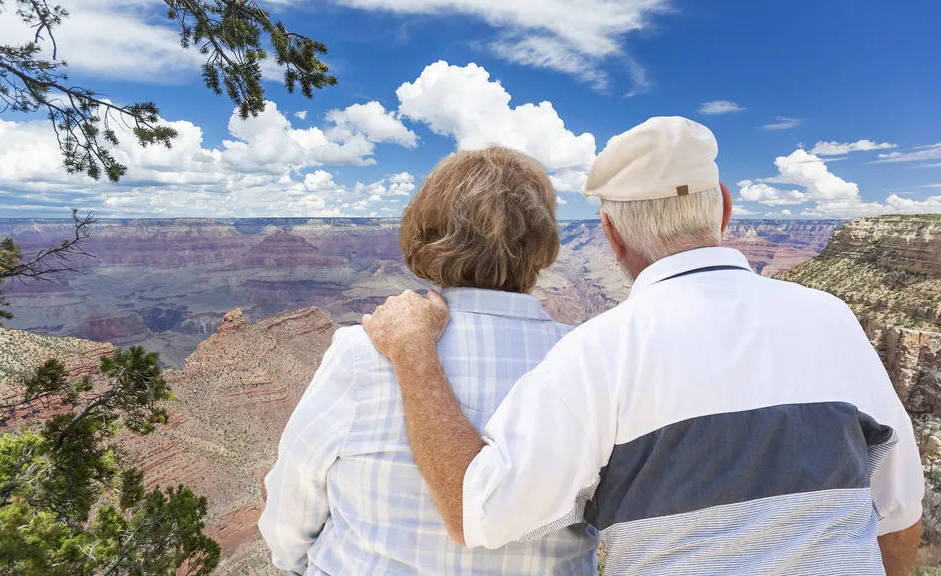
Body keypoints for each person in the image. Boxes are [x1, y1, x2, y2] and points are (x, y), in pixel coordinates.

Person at [361, 117, 925, 575]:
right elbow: (898, 512)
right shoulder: (830, 318)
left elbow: (474, 511)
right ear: (724, 208)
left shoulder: (599, 352)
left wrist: (413, 352)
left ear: (609, 234)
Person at [258, 146, 600, 575]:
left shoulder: (363, 352)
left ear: (426, 233)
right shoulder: (590, 363)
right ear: (542, 244)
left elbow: (293, 501)